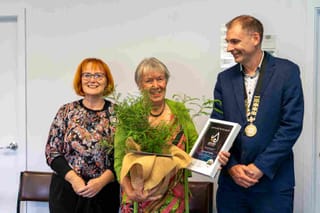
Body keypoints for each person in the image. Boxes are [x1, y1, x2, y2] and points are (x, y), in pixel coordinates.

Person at [211, 15, 304, 213]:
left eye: (234, 41)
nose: (229, 48)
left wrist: (259, 167)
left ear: (255, 38)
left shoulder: (287, 72)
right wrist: (232, 167)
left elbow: (291, 126)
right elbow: (218, 127)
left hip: (273, 183)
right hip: (232, 186)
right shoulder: (224, 80)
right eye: (227, 42)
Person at [114, 57, 229, 212]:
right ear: (140, 85)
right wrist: (129, 190)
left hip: (174, 195)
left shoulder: (178, 109)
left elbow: (196, 145)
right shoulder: (130, 115)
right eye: (149, 81)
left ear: (166, 81)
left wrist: (213, 159)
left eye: (160, 79)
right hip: (139, 196)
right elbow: (119, 157)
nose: (156, 85)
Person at [45, 58, 120, 213]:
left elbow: (124, 156)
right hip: (66, 191)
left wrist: (102, 181)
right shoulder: (66, 111)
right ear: (80, 80)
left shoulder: (118, 114)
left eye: (99, 75)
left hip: (104, 192)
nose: (92, 80)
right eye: (87, 75)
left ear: (107, 81)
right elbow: (51, 152)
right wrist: (74, 179)